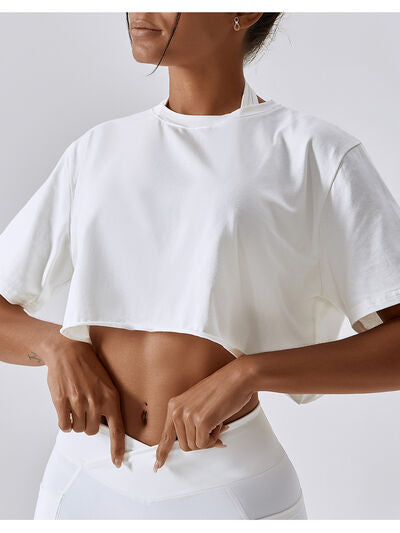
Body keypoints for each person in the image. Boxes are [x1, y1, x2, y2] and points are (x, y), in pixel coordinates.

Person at [1, 12, 400, 520]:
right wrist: (56, 346)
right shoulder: (98, 150)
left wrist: (250, 372)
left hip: (227, 484)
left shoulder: (314, 152)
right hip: (80, 479)